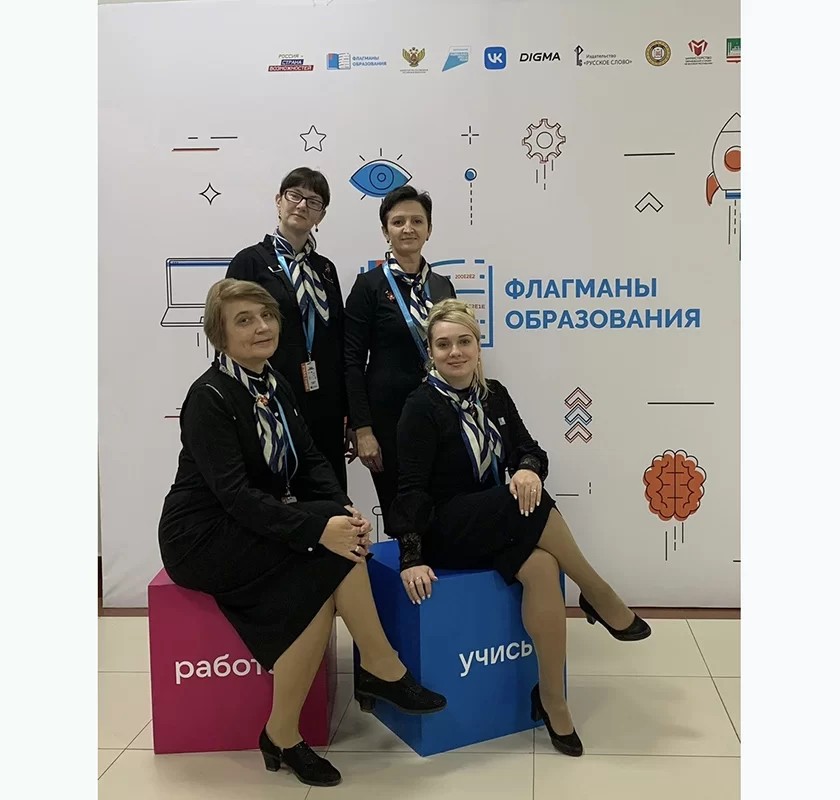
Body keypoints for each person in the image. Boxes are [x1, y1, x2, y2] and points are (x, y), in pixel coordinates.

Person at [158, 279, 446, 788]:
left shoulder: (273, 382)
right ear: (219, 334)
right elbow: (235, 495)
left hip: (251, 519)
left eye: (266, 316)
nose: (261, 327)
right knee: (331, 553)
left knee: (335, 552)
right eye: (244, 320)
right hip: (202, 535)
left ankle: (285, 733)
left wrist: (343, 509)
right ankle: (380, 666)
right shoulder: (209, 397)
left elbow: (310, 458)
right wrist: (317, 528)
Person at [390, 299, 651, 758]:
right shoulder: (420, 406)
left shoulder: (495, 395)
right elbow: (410, 489)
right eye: (444, 344)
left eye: (464, 341)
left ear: (478, 346)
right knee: (521, 499)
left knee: (543, 566)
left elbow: (529, 449)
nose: (455, 352)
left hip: (496, 521)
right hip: (446, 529)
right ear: (429, 352)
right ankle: (597, 592)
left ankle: (551, 698)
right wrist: (411, 555)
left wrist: (527, 467)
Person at [226, 167, 351, 491]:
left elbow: (337, 339)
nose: (302, 205)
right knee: (279, 488)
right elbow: (231, 335)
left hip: (324, 399)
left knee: (328, 487)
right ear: (279, 201)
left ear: (321, 216)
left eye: (314, 201)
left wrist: (348, 412)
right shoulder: (250, 262)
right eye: (295, 195)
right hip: (270, 394)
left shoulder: (325, 269)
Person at [344, 185, 456, 531]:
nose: (408, 228)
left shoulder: (442, 286)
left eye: (417, 221)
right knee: (402, 513)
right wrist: (363, 429)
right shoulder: (369, 285)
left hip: (439, 413)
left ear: (429, 229)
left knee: (444, 507)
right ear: (385, 230)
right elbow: (351, 361)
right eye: (398, 222)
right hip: (388, 420)